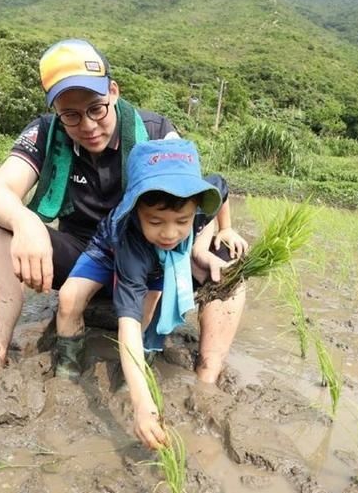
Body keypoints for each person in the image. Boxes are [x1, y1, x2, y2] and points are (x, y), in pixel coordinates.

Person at [0, 38, 245, 394]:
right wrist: (26, 222)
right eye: (71, 114)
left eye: (96, 108)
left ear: (113, 92)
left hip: (147, 256)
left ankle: (206, 379)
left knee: (231, 260)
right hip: (83, 256)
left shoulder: (157, 133)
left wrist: (204, 242)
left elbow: (190, 199)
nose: (87, 124)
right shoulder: (44, 132)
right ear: (56, 110)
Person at [55, 138, 247, 449]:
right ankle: (67, 367)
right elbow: (125, 324)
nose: (170, 233)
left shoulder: (196, 202)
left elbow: (221, 187)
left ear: (196, 206)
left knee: (148, 311)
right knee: (68, 300)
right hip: (106, 250)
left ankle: (134, 370)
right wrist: (144, 405)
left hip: (157, 262)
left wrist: (225, 228)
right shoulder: (132, 243)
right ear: (135, 210)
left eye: (182, 222)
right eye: (155, 221)